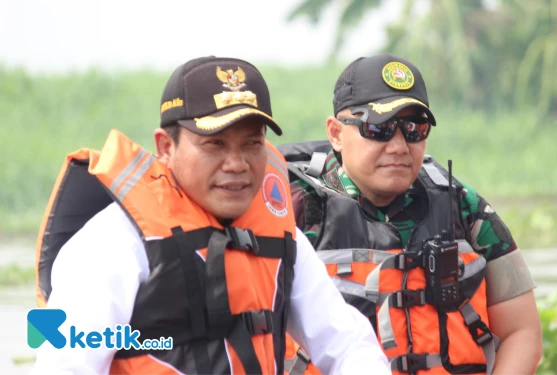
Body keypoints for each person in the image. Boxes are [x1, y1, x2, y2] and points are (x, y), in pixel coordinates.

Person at [30, 56, 391, 375]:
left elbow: (346, 344)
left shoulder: (283, 238)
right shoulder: (112, 243)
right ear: (165, 147)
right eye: (214, 144)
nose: (237, 164)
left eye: (252, 143)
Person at [279, 54, 543, 375]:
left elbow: (522, 330)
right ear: (336, 133)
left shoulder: (463, 206)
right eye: (379, 128)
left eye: (414, 128)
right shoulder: (293, 209)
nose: (400, 145)